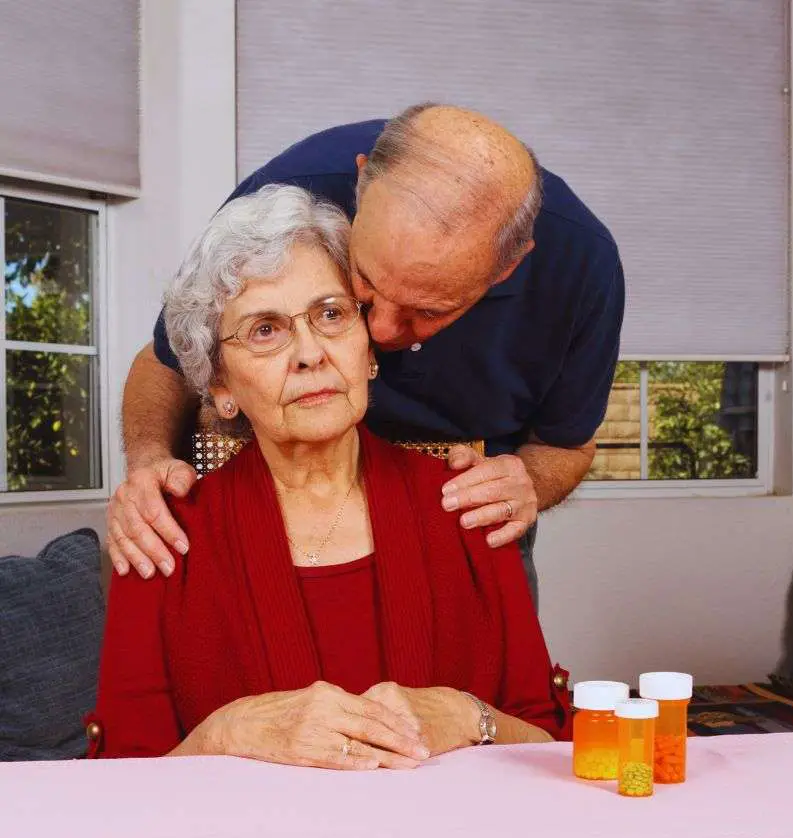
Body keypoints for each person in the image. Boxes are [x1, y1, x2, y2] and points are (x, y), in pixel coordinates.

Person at [87, 186, 571, 766]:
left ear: (367, 349)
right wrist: (225, 735)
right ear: (220, 385)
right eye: (265, 329)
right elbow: (118, 785)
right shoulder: (162, 538)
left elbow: (551, 746)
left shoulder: (468, 504)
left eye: (331, 314)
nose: (310, 353)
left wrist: (471, 717)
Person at [108, 103, 624, 603]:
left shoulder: (583, 267)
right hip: (260, 493)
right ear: (360, 186)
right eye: (362, 288)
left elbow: (566, 445)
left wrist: (527, 481)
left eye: (428, 310)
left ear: (506, 268)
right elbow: (172, 358)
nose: (378, 330)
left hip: (467, 520)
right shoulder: (294, 191)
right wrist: (150, 463)